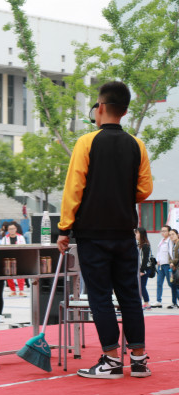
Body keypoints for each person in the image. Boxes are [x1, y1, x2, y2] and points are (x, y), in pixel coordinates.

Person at [57, 81, 153, 379]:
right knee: (130, 295)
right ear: (124, 111)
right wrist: (120, 192)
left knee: (99, 296)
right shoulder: (137, 145)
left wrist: (63, 229)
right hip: (125, 233)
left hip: (93, 234)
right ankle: (138, 359)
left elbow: (74, 188)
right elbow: (144, 190)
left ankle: (111, 360)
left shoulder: (86, 143)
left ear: (100, 108)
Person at [0, 223, 27, 297]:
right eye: (10, 229)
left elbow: (24, 247)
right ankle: (13, 290)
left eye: (13, 229)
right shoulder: (5, 238)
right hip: (8, 258)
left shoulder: (21, 237)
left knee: (20, 274)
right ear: (8, 230)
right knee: (9, 275)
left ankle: (21, 290)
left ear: (16, 229)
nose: (12, 230)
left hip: (19, 257)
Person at [153, 225, 173, 308]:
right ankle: (158, 301)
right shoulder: (161, 241)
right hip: (160, 266)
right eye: (162, 231)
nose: (163, 232)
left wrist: (173, 264)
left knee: (171, 284)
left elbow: (171, 253)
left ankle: (175, 301)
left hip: (168, 265)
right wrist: (157, 260)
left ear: (169, 232)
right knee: (159, 283)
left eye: (165, 231)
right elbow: (159, 252)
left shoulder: (170, 241)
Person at [135, 227, 152, 310]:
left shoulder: (145, 245)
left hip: (145, 269)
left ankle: (147, 303)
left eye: (137, 233)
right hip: (140, 269)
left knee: (142, 286)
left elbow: (145, 259)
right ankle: (144, 302)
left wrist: (142, 270)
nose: (135, 234)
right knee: (140, 286)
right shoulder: (139, 244)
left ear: (141, 234)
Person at [168, 229, 179, 309]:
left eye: (173, 234)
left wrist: (173, 262)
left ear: (177, 234)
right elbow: (170, 256)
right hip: (174, 268)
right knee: (173, 284)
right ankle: (174, 303)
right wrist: (171, 262)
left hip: (177, 267)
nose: (171, 236)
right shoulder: (173, 244)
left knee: (177, 285)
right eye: (170, 234)